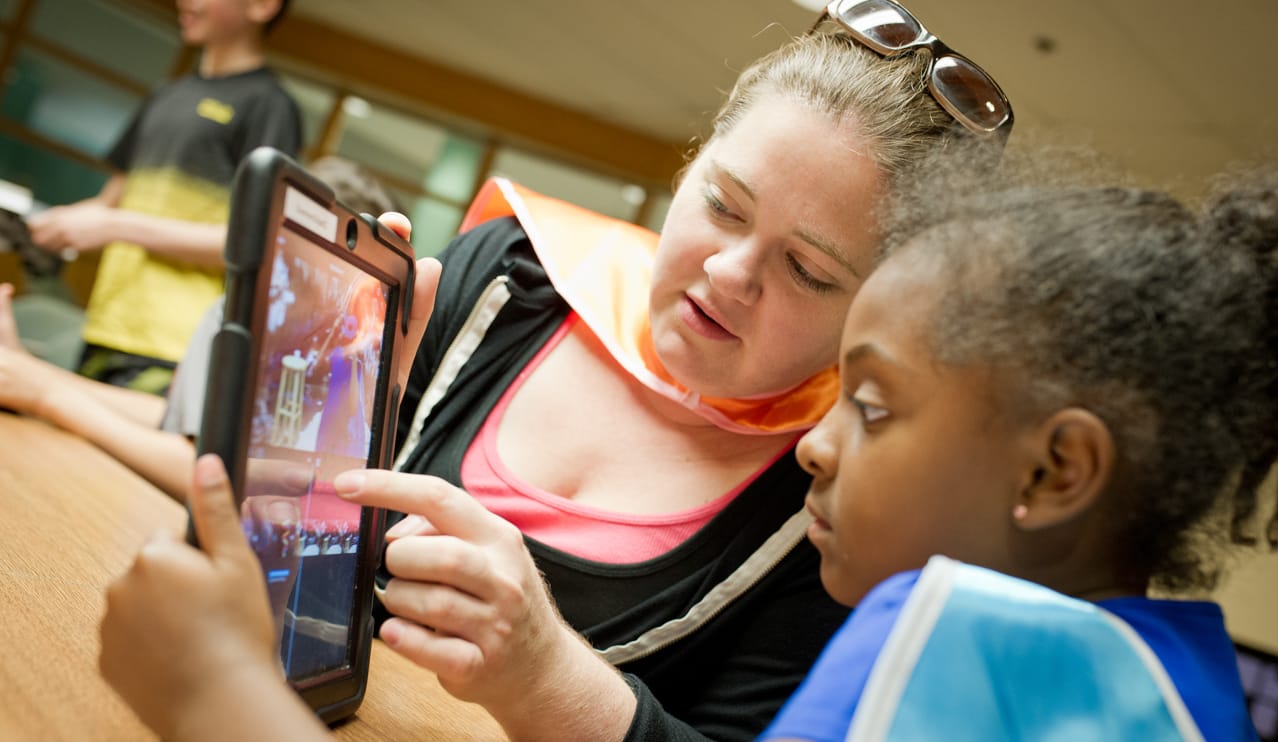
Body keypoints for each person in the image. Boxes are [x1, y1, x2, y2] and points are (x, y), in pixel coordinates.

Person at [100, 3, 1014, 740]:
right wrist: (328, 432)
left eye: (810, 271)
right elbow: (273, 529)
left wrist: (547, 676)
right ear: (690, 165)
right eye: (724, 206)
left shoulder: (836, 504)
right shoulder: (509, 275)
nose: (731, 273)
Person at [757, 165, 1278, 740]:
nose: (814, 446)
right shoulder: (1206, 701)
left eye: (871, 406)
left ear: (1052, 473)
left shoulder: (940, 635)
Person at [0, 157, 399, 501]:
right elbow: (178, 421)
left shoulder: (351, 354)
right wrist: (27, 371)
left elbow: (205, 472)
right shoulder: (246, 307)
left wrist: (42, 392)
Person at [26, 0, 300, 394]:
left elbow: (253, 240)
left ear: (261, 6)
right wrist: (41, 226)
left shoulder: (270, 106)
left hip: (173, 347)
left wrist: (115, 226)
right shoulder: (167, 95)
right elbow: (111, 202)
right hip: (105, 324)